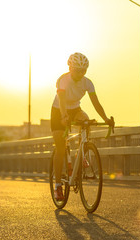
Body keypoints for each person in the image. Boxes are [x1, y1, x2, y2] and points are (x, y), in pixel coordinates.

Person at [51, 52, 114, 201]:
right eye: (77, 70)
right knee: (60, 147)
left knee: (86, 120)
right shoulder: (63, 80)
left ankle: (83, 152)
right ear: (70, 68)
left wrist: (105, 118)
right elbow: (61, 100)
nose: (80, 73)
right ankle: (58, 185)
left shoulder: (87, 83)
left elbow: (96, 103)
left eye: (83, 71)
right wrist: (64, 115)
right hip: (58, 110)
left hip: (76, 110)